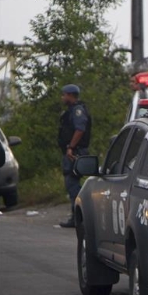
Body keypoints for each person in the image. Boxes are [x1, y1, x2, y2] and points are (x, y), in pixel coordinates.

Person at [58, 84, 92, 228]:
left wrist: (71, 147)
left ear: (70, 95)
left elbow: (80, 130)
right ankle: (78, 215)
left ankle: (79, 216)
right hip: (73, 150)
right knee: (72, 182)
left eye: (64, 95)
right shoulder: (72, 110)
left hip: (75, 151)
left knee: (72, 182)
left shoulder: (77, 111)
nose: (62, 97)